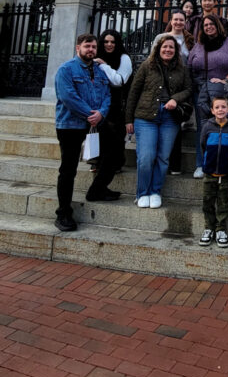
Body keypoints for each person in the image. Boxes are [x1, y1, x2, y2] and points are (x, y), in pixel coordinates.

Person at [54, 33, 116, 233]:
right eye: (87, 46)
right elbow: (67, 96)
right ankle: (63, 212)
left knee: (114, 152)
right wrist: (90, 114)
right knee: (68, 168)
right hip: (71, 124)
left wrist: (101, 113)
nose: (91, 50)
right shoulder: (66, 69)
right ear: (78, 48)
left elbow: (107, 95)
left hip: (96, 122)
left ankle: (97, 189)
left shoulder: (99, 71)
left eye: (94, 47)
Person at [125, 34, 192, 208]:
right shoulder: (147, 66)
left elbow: (188, 89)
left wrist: (175, 99)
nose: (168, 50)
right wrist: (128, 119)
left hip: (170, 118)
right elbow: (133, 92)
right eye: (165, 47)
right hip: (146, 116)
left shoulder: (182, 69)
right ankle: (142, 192)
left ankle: (155, 191)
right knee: (146, 157)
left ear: (176, 50)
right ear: (158, 48)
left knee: (163, 157)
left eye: (171, 47)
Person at [187, 14, 228, 178]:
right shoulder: (198, 46)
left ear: (218, 25)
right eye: (205, 25)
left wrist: (226, 79)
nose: (208, 27)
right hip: (202, 92)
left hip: (224, 91)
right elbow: (190, 66)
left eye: (211, 24)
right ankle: (202, 164)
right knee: (203, 128)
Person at [153, 10, 194, 174]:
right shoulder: (161, 37)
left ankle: (174, 164)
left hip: (181, 83)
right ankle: (159, 161)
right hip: (162, 82)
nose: (178, 22)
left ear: (185, 22)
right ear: (171, 21)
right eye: (175, 19)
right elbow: (152, 58)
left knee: (175, 120)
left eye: (181, 20)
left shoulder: (189, 39)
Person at [198, 95, 228, 247]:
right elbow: (203, 145)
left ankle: (221, 229)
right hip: (209, 172)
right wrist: (208, 162)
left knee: (223, 202)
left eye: (223, 107)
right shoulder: (207, 126)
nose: (220, 110)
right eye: (217, 107)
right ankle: (209, 228)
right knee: (207, 201)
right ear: (212, 110)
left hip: (225, 172)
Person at [94, 28, 133, 176]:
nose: (109, 44)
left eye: (112, 42)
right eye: (106, 41)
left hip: (117, 104)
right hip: (99, 103)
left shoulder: (124, 58)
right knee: (99, 135)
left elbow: (119, 80)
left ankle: (115, 164)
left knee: (115, 136)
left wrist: (104, 65)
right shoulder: (97, 56)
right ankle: (98, 162)